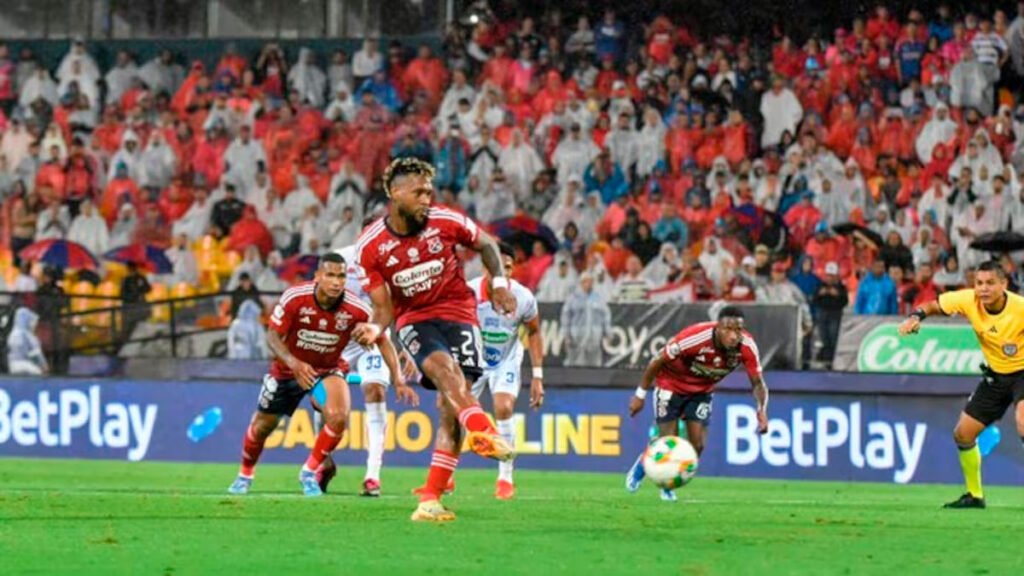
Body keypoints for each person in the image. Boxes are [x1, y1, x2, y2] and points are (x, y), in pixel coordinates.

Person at [352, 157, 516, 522]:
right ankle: (483, 428)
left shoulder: (445, 220)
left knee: (451, 407)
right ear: (395, 193)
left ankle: (430, 500)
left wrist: (499, 284)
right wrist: (376, 329)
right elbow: (383, 307)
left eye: (429, 192)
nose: (427, 199)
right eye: (418, 193)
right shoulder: (370, 246)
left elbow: (487, 244)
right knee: (444, 370)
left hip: (459, 311)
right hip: (414, 318)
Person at [226, 252, 409, 497]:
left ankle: (309, 472)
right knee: (261, 428)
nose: (336, 282)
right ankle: (245, 475)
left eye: (341, 276)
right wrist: (294, 363)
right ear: (318, 276)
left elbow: (382, 339)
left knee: (338, 417)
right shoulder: (295, 297)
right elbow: (272, 335)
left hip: (326, 372)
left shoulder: (356, 309)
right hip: (287, 371)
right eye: (330, 275)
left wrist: (398, 377)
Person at [898, 260, 1024, 509]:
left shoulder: (1020, 309)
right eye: (979, 283)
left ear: (1004, 284)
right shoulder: (968, 300)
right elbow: (934, 305)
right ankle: (974, 496)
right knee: (963, 434)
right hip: (996, 376)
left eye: (990, 283)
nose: (983, 289)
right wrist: (915, 317)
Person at [625, 306, 769, 501]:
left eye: (738, 330)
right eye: (728, 329)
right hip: (671, 385)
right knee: (668, 441)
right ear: (717, 328)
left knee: (698, 445)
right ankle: (649, 470)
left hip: (702, 391)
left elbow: (758, 383)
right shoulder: (695, 338)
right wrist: (640, 395)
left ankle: (671, 479)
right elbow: (657, 360)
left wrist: (761, 409)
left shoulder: (747, 347)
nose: (734, 336)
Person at [336, 244, 420, 497]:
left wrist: (409, 346)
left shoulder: (394, 263)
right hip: (338, 339)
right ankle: (321, 461)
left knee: (376, 391)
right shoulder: (340, 259)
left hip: (374, 336)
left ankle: (372, 475)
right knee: (327, 400)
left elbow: (407, 306)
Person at [467, 243, 545, 499]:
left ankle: (505, 478)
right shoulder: (469, 292)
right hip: (473, 358)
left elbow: (534, 332)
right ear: (485, 267)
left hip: (506, 360)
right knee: (453, 412)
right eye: (497, 267)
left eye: (508, 267)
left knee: (503, 407)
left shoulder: (523, 297)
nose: (503, 272)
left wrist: (537, 376)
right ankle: (446, 476)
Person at [560, 271, 612, 366]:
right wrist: (566, 335)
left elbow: (605, 316)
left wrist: (608, 333)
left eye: (590, 281)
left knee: (594, 364)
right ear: (581, 283)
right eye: (586, 281)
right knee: (574, 363)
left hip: (594, 337)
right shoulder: (573, 298)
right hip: (576, 336)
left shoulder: (598, 298)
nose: (588, 284)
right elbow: (566, 317)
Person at [7, 307, 47, 375]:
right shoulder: (27, 334)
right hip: (26, 365)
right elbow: (35, 354)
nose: (33, 324)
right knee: (40, 376)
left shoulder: (12, 334)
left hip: (12, 365)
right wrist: (44, 366)